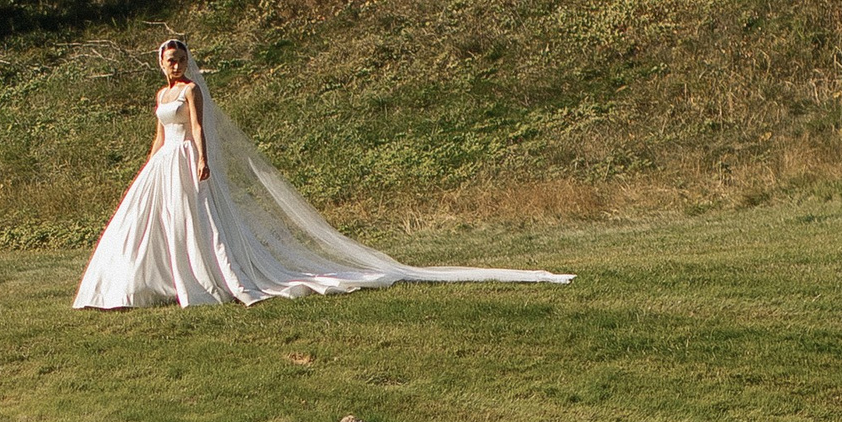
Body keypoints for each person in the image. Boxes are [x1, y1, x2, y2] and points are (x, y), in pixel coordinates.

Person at [72, 38, 574, 310]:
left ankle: (204, 280)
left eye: (179, 58)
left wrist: (202, 159)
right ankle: (150, 283)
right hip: (164, 164)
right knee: (152, 224)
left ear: (187, 62)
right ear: (159, 64)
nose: (173, 65)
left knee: (196, 223)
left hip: (188, 161)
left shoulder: (190, 92)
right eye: (167, 59)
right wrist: (148, 166)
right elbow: (159, 137)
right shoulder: (160, 97)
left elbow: (199, 130)